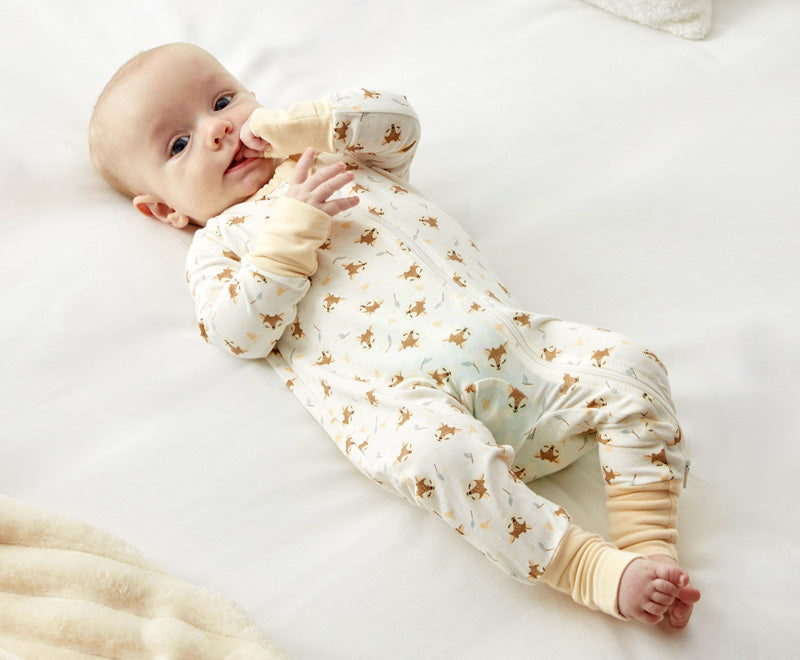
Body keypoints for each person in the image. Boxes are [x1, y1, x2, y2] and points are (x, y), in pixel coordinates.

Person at [89, 42, 700, 627]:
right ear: (163, 210)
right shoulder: (219, 244)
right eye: (179, 143)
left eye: (223, 101)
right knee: (439, 460)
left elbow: (398, 122)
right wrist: (292, 229)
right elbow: (237, 330)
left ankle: (648, 545)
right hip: (406, 403)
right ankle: (587, 568)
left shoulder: (335, 156)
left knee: (632, 366)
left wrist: (301, 125)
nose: (217, 129)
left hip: (520, 352)